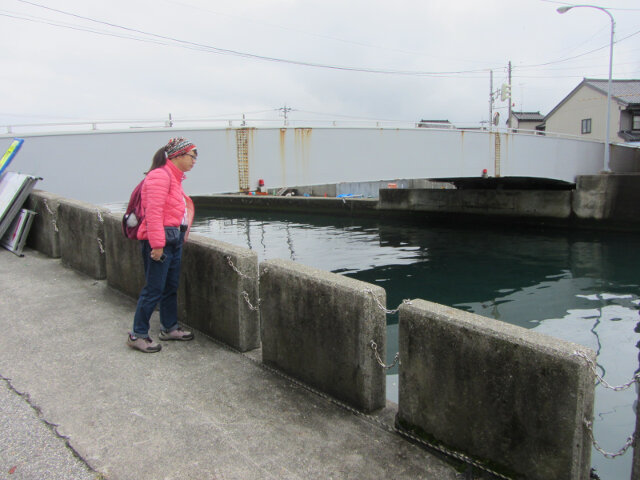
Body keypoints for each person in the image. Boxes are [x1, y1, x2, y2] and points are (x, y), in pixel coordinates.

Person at [127, 137, 198, 353]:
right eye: (192, 156)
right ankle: (137, 334)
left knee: (170, 287)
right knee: (153, 289)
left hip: (173, 241)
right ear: (178, 155)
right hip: (160, 243)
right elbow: (154, 214)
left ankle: (169, 328)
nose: (194, 161)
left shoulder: (174, 178)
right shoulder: (160, 176)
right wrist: (157, 246)